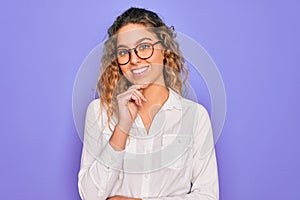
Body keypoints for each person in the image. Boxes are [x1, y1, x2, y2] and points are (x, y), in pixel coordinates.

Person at [78, 7, 219, 200]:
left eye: (144, 47)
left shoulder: (194, 116)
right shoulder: (98, 112)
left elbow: (208, 196)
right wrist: (122, 127)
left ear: (164, 49)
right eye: (123, 52)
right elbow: (90, 195)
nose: (134, 59)